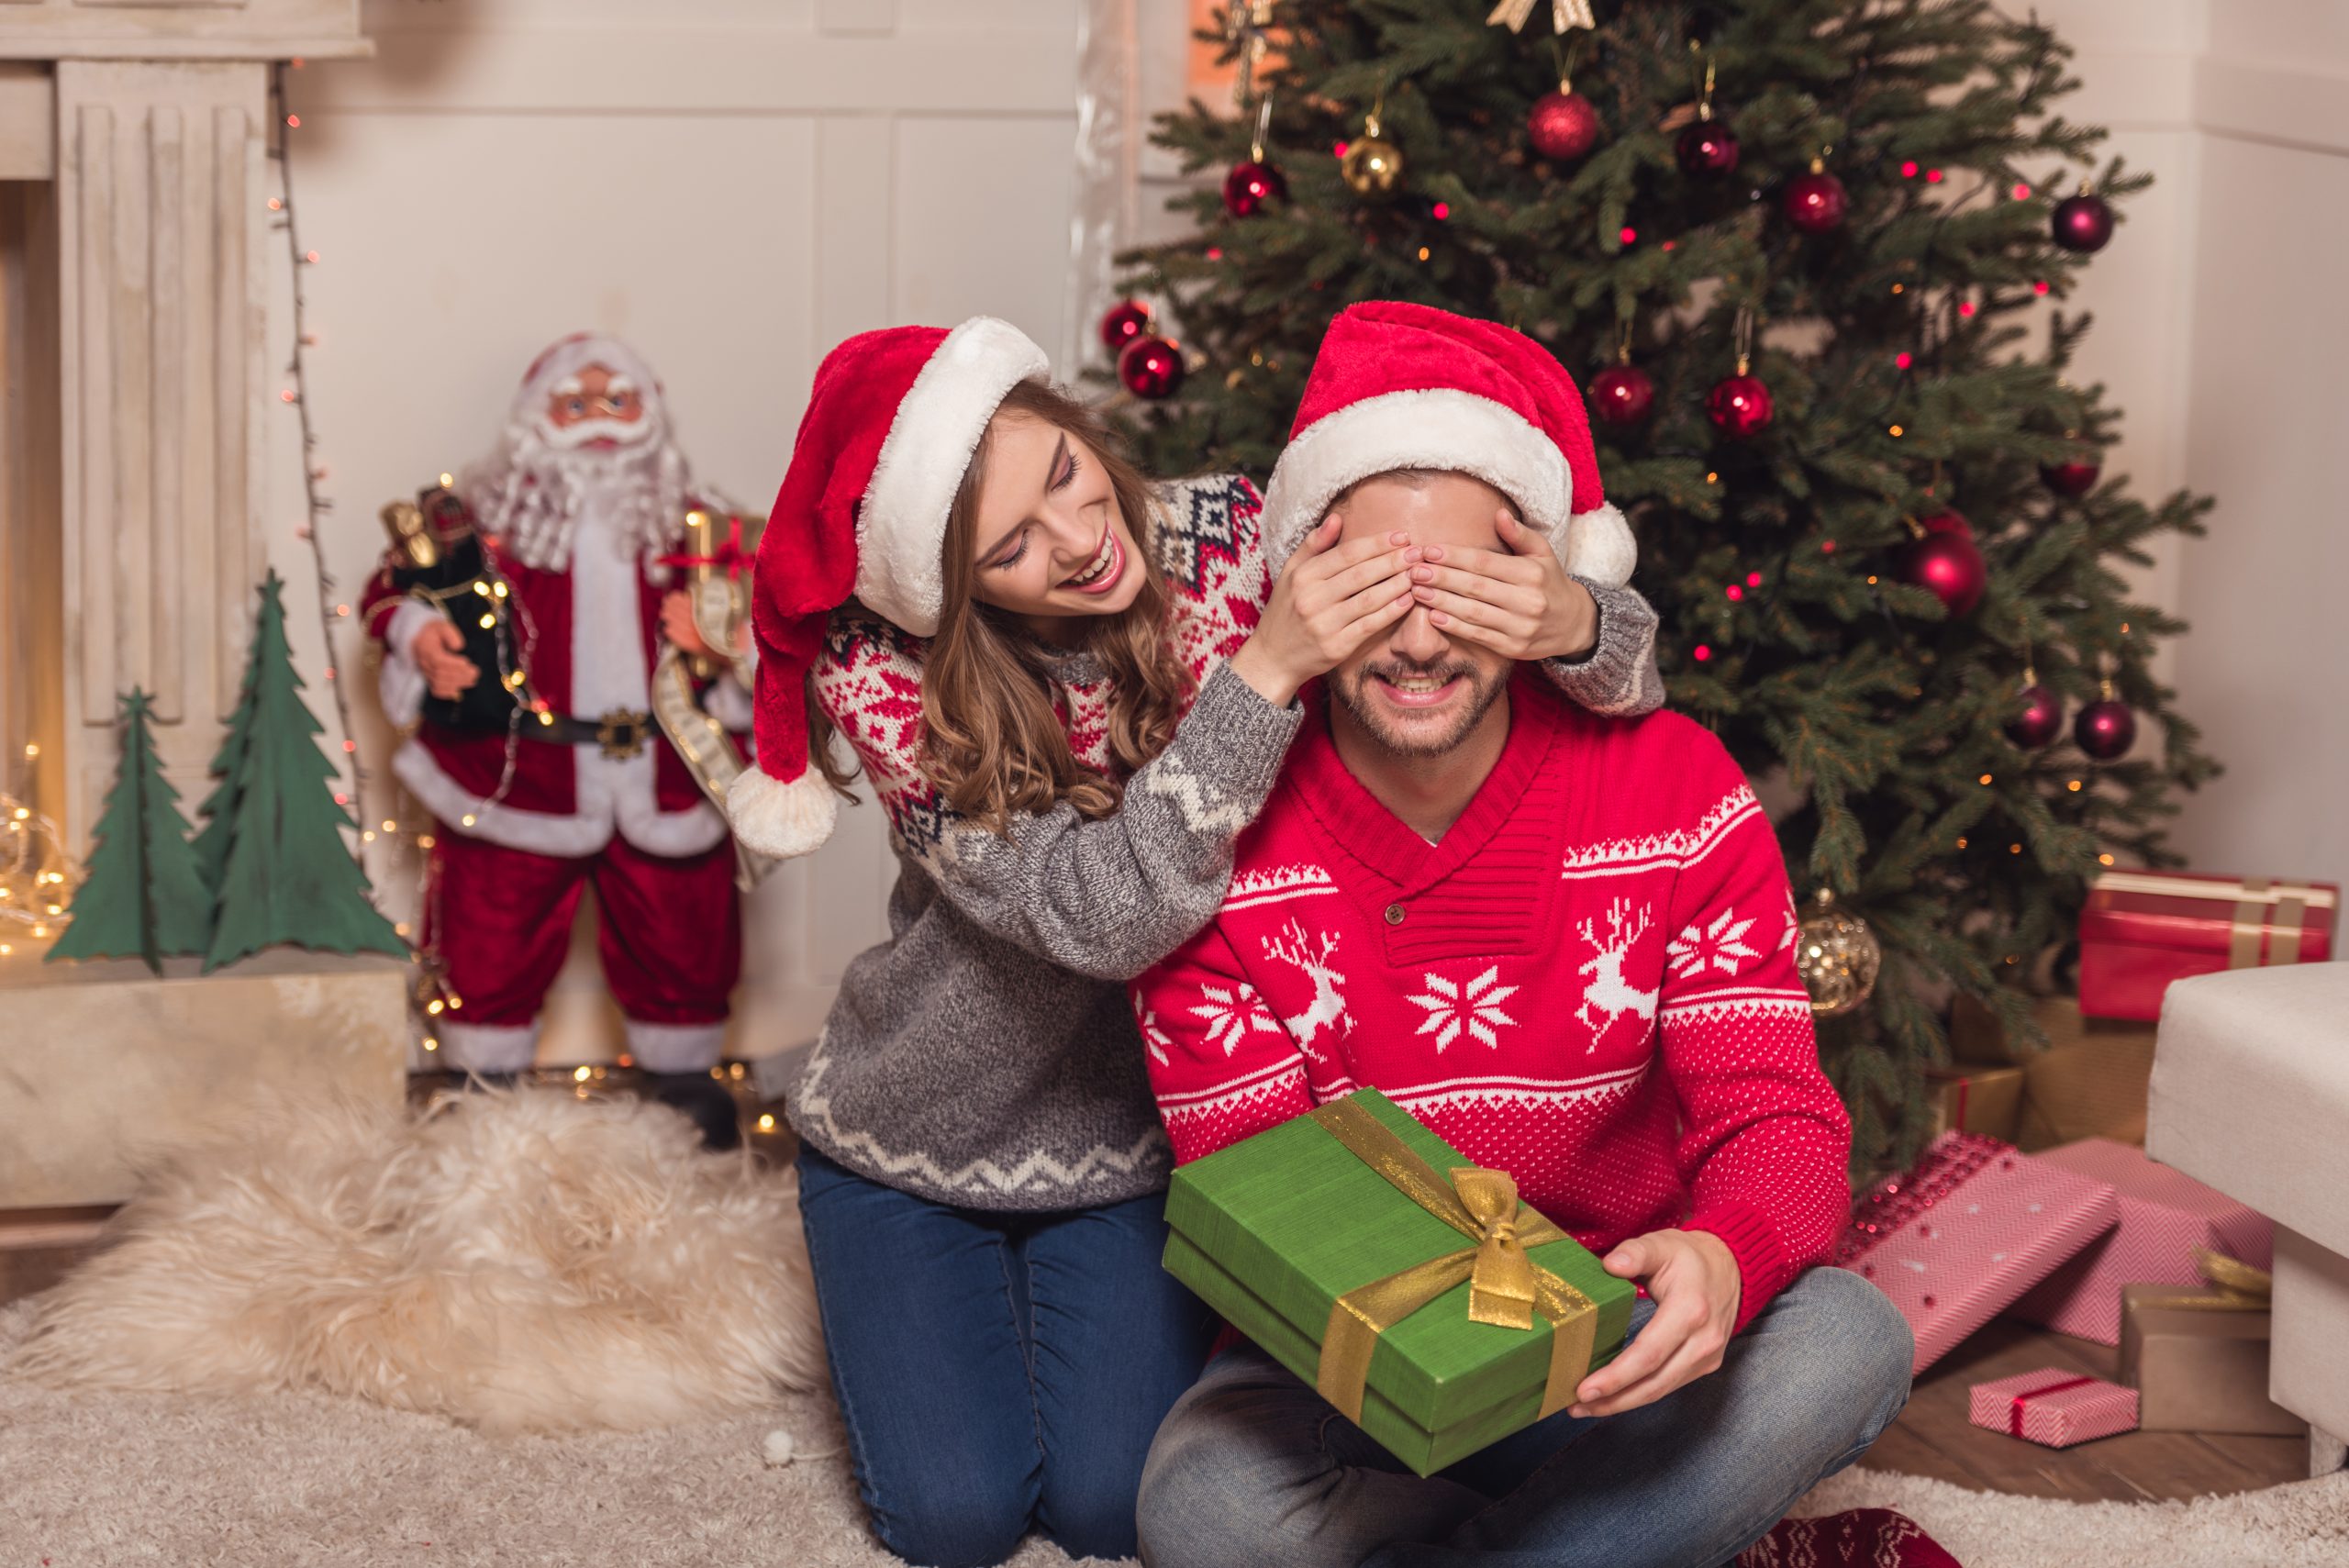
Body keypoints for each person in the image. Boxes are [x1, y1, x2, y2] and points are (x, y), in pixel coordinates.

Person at [727, 316, 1664, 1568]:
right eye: (1008, 547)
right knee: (957, 1522)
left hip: (1144, 1142)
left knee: (1118, 1510)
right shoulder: (879, 668)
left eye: (1064, 473)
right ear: (951, 587)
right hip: (916, 1138)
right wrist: (1267, 668)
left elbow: (1605, 687)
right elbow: (1105, 917)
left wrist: (1576, 622)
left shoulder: (1229, 533)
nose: (1075, 539)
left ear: (1076, 424)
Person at [1130, 303, 1914, 1568]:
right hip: (1353, 1356)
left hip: (1620, 1331)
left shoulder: (1676, 791)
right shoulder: (1213, 834)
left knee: (1850, 1339)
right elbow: (1262, 1180)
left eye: (1476, 591)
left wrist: (1722, 1255)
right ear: (1301, 589)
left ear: (1549, 594)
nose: (1425, 637)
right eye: (1375, 587)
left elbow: (1776, 1118)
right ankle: (1598, 1542)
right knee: (1202, 1506)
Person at [362, 332, 749, 1147]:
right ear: (538, 418)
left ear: (652, 412)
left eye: (619, 401)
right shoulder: (487, 531)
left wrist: (722, 642)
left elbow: (772, 629)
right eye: (575, 404)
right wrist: (422, 636)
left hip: (667, 769)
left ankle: (683, 1084)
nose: (599, 421)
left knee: (683, 927)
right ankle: (481, 1082)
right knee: (489, 927)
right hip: (521, 774)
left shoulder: (701, 532)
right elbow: (392, 591)